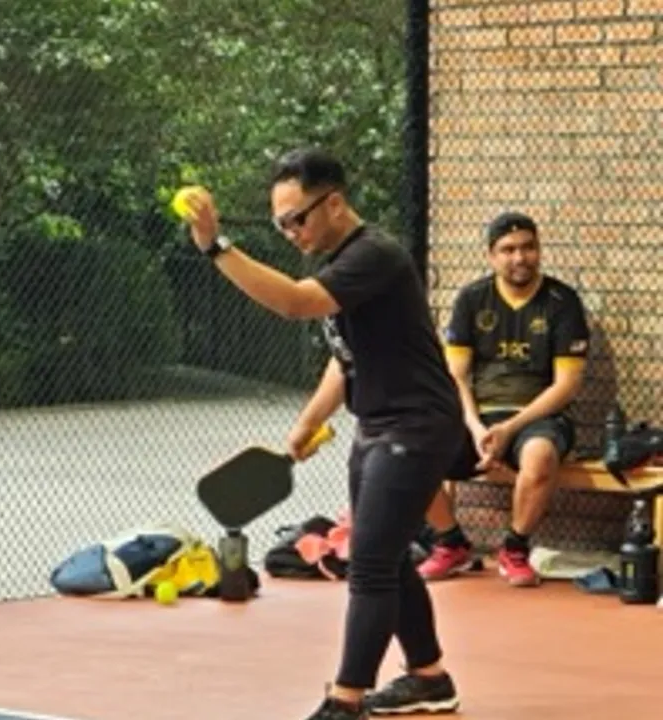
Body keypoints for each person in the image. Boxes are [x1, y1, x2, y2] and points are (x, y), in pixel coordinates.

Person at [184, 147, 466, 719]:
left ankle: (345, 700)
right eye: (280, 224)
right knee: (385, 555)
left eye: (297, 219)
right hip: (378, 424)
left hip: (416, 426)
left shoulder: (374, 255)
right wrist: (309, 421)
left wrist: (215, 247)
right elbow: (346, 358)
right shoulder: (342, 262)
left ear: (334, 203)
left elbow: (295, 303)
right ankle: (430, 677)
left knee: (371, 565)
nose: (291, 232)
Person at [418, 212, 590, 588]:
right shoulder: (471, 299)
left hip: (538, 418)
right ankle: (450, 543)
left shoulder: (562, 301)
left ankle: (514, 549)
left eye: (528, 247)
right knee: (412, 446)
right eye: (508, 250)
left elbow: (567, 386)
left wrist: (509, 429)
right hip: (478, 417)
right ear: (491, 256)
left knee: (540, 456)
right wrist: (475, 426)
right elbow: (455, 375)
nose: (520, 257)